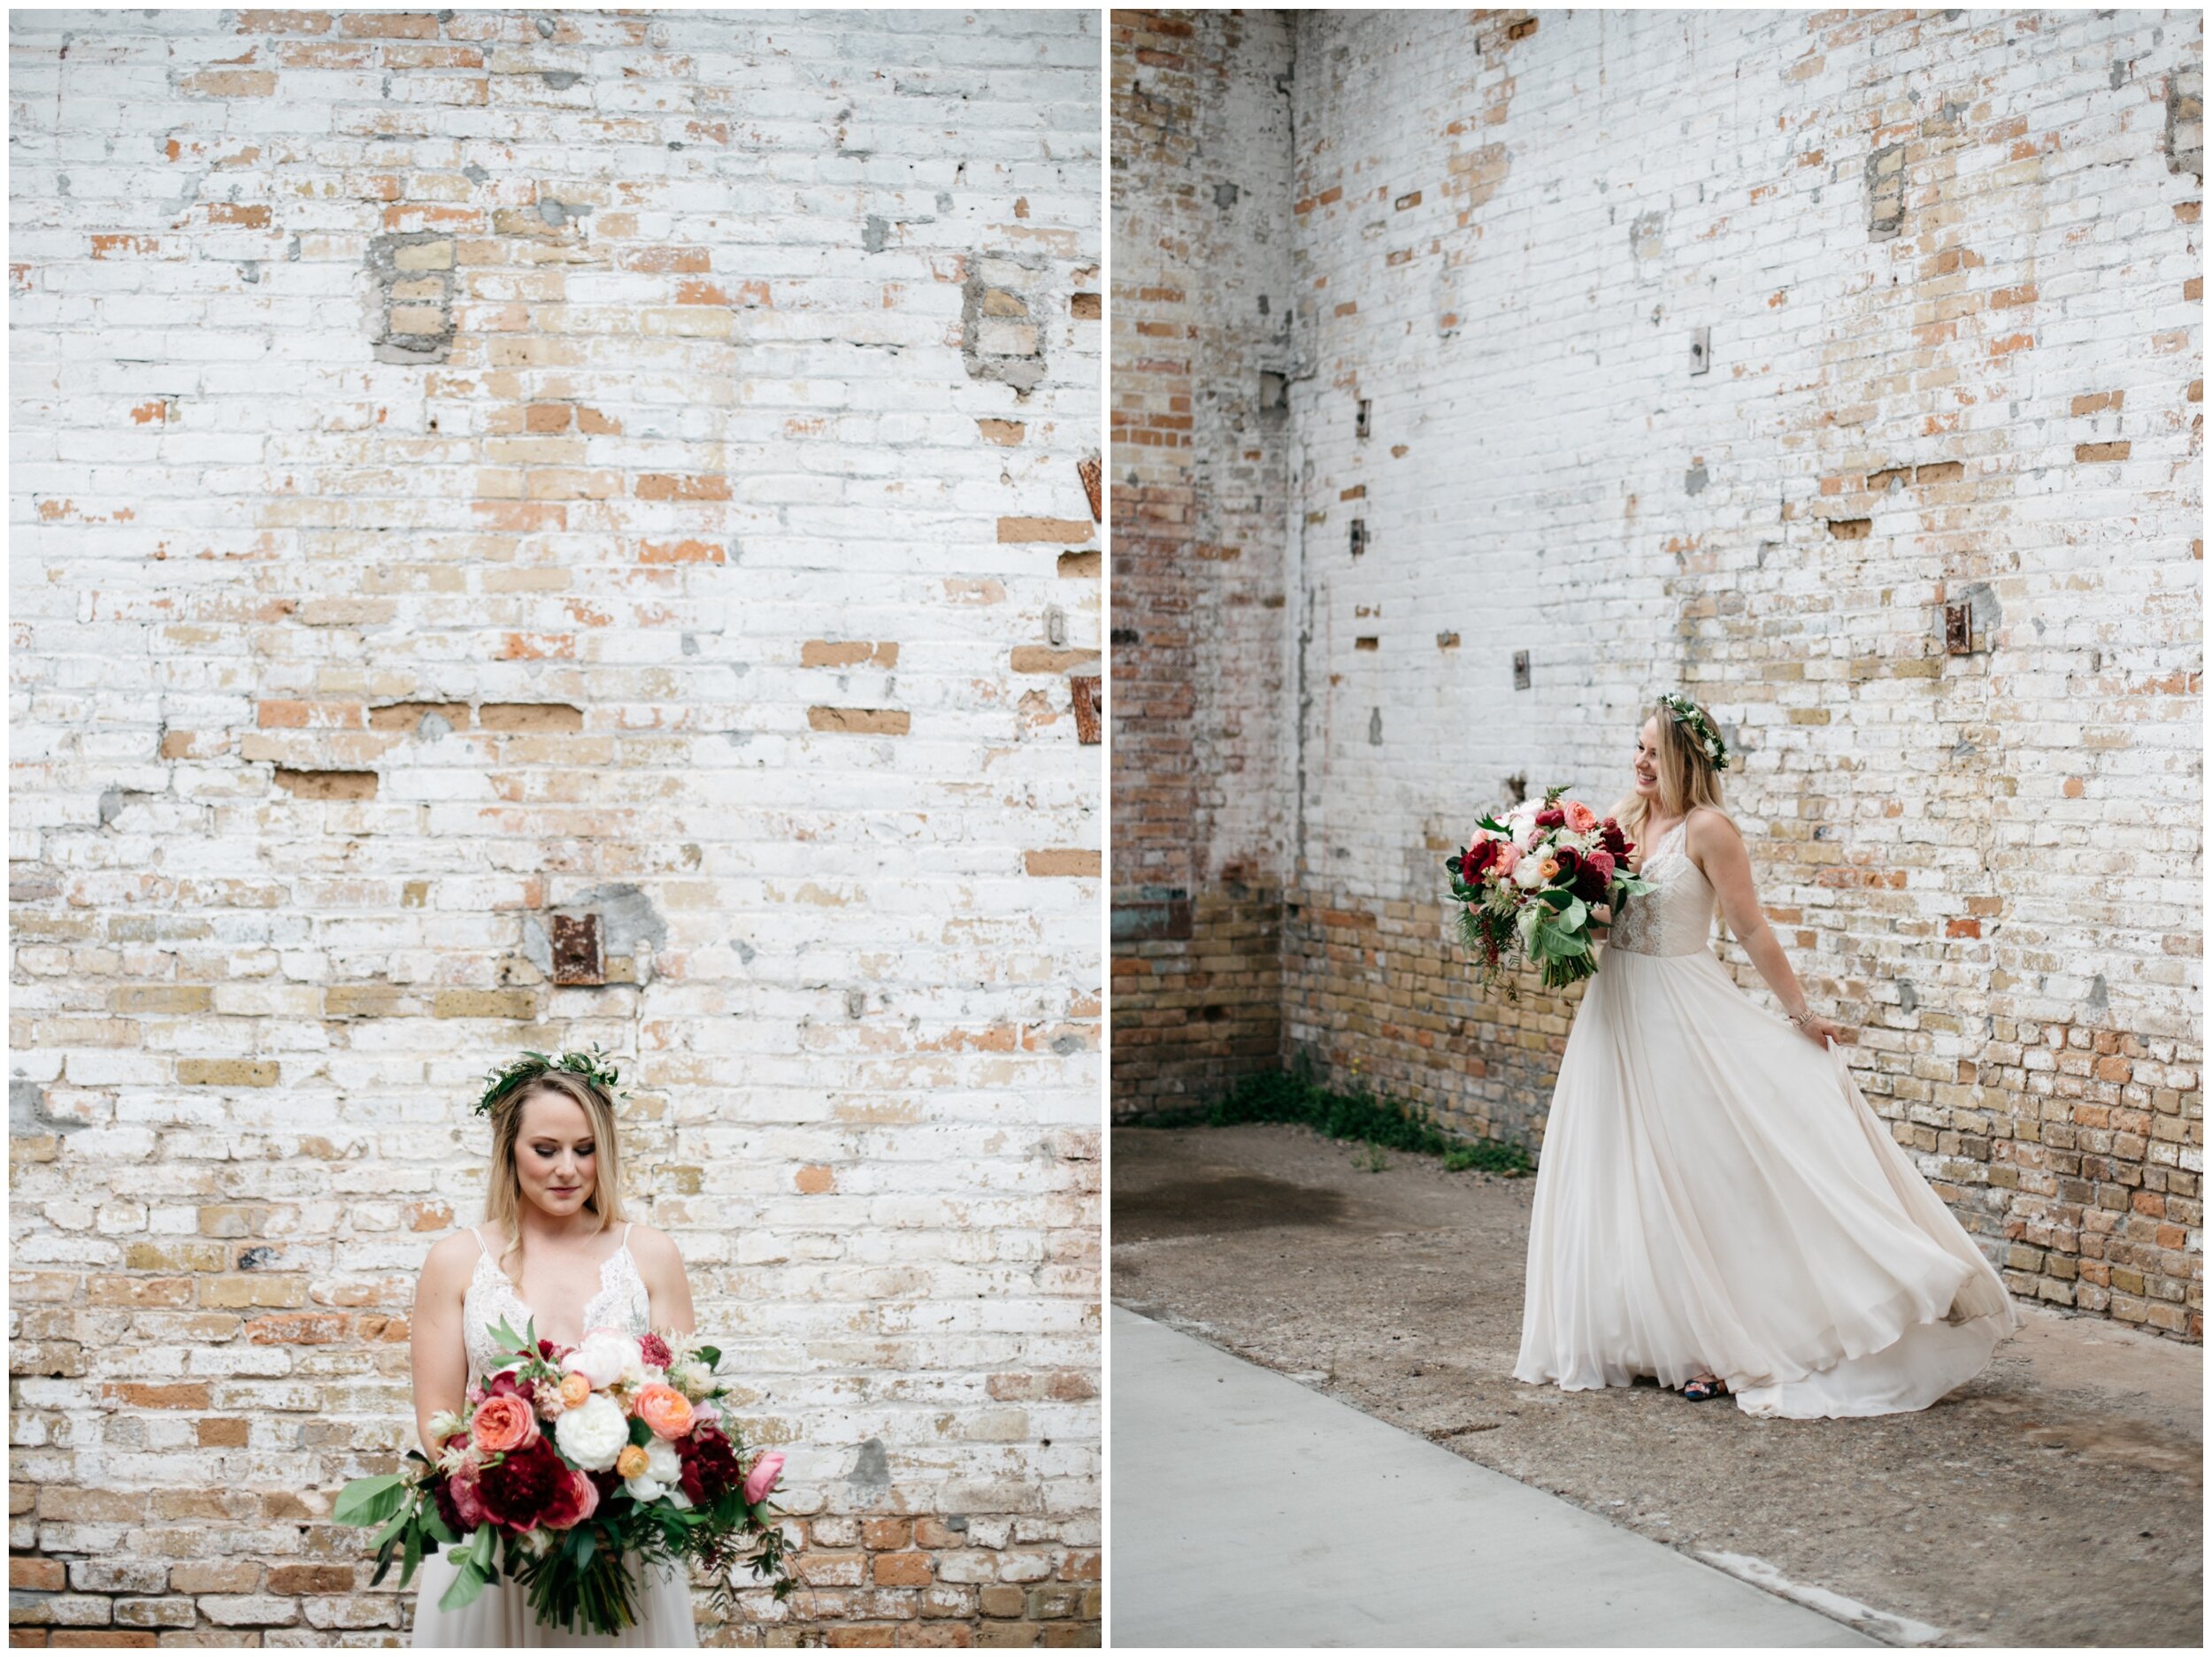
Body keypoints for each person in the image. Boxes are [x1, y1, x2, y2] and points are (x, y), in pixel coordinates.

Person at [1511, 694, 2019, 1416]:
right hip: (1616, 1010)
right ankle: (1654, 1333)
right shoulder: (1621, 823)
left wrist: (1801, 1013)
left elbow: (1751, 929)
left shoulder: (1709, 829)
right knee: (1621, 1164)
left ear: (1686, 758)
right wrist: (1542, 905)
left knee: (1698, 1169)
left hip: (1682, 1011)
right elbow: (1604, 925)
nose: (1639, 760)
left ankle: (1719, 1344)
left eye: (1653, 750)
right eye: (1638, 746)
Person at [407, 1054, 702, 1645]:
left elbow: (682, 1405)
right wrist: (526, 1493)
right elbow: (436, 1423)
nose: (568, 1168)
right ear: (509, 1151)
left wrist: (614, 1488)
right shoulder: (456, 1261)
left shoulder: (650, 1254)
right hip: (501, 1545)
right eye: (546, 1149)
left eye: (585, 1149)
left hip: (621, 1547)